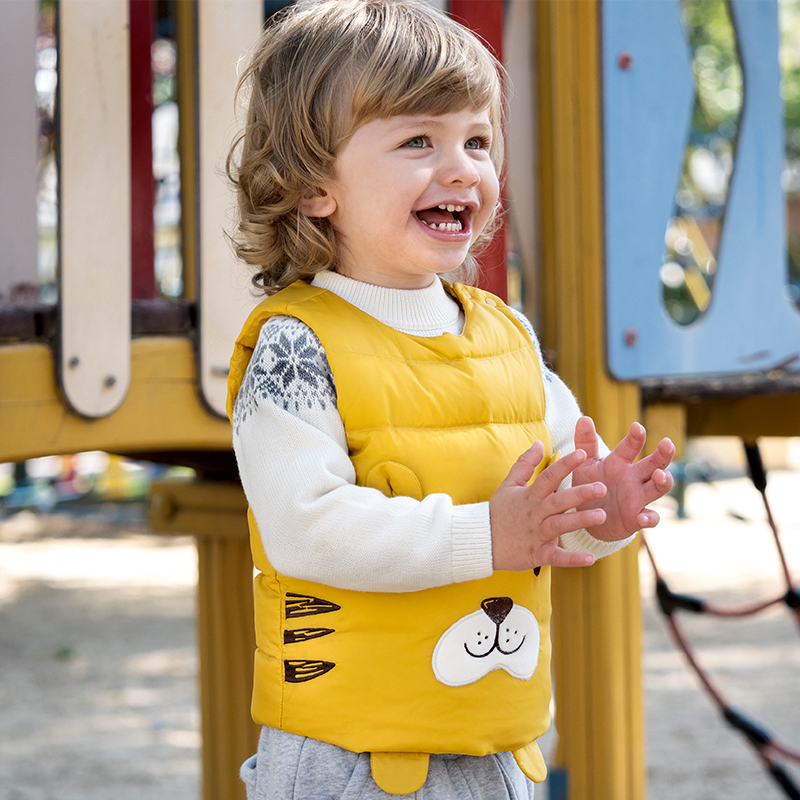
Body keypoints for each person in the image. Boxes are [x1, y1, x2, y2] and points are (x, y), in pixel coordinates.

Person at [225, 2, 675, 798]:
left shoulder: (507, 338)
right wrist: (487, 534)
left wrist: (601, 512)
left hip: (499, 745)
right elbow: (305, 528)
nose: (464, 166)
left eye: (475, 140)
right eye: (417, 142)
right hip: (352, 753)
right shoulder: (297, 346)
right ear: (313, 185)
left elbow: (548, 507)